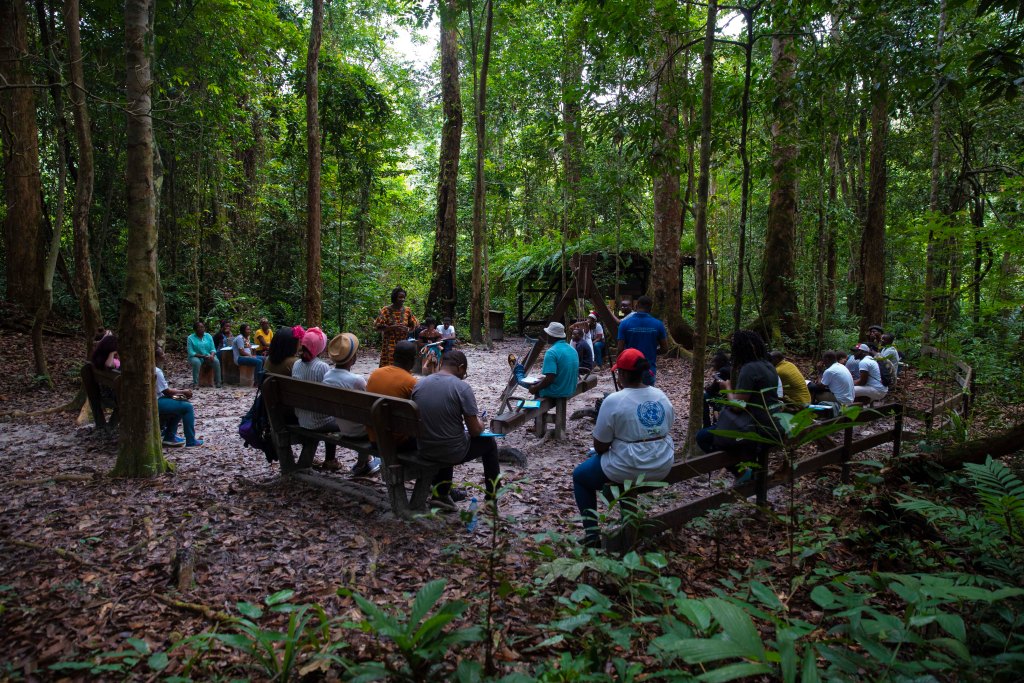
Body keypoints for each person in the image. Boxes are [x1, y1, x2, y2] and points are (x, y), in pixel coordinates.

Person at [572, 349, 675, 547]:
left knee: (580, 476)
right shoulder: (661, 395)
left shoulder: (614, 400)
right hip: (662, 462)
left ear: (624, 375)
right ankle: (628, 525)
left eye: (619, 372)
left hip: (629, 466)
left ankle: (592, 535)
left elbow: (600, 446)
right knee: (622, 469)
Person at [411, 350, 501, 507]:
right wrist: (482, 424)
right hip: (450, 451)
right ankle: (492, 497)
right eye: (464, 372)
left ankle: (441, 494)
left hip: (424, 447)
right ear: (460, 368)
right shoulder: (461, 388)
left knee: (448, 434)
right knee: (489, 443)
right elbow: (474, 430)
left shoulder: (420, 384)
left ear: (440, 364)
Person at [695, 330, 781, 472]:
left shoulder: (749, 369)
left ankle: (742, 473)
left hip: (757, 427)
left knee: (703, 437)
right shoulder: (769, 365)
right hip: (773, 423)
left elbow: (737, 407)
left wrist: (727, 387)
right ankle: (751, 474)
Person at [323, 333, 381, 476]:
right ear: (353, 358)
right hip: (360, 431)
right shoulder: (357, 380)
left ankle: (363, 462)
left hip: (342, 426)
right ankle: (364, 462)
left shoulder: (327, 376)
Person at [291, 327, 345, 470]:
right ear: (319, 348)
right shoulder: (322, 367)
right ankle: (330, 459)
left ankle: (326, 460)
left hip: (302, 417)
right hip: (318, 421)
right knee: (337, 420)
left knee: (330, 416)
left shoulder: (296, 364)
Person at [366, 340, 420, 452]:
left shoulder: (375, 374)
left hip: (374, 438)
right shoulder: (411, 382)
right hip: (398, 442)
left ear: (393, 356)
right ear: (413, 360)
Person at [509, 322, 580, 398]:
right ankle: (519, 369)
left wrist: (534, 389)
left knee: (521, 380)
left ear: (551, 335)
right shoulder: (572, 350)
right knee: (538, 381)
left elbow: (549, 379)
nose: (546, 336)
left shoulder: (551, 352)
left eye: (547, 334)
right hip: (570, 389)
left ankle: (517, 369)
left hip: (557, 391)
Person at [155, 345, 203, 447]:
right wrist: (184, 391)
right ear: (157, 357)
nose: (164, 355)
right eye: (162, 353)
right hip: (156, 401)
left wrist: (181, 393)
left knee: (181, 401)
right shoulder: (156, 371)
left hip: (157, 399)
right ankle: (191, 440)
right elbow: (166, 392)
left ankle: (170, 435)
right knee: (187, 407)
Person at [616, 295, 668, 385]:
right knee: (647, 396)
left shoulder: (624, 324)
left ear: (636, 306)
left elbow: (620, 349)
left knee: (630, 396)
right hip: (648, 368)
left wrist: (620, 372)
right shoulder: (658, 324)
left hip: (629, 369)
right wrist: (652, 351)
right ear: (650, 308)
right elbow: (665, 348)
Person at [374, 286, 418, 367]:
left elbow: (414, 325)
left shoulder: (407, 310)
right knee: (390, 364)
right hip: (389, 342)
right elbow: (377, 327)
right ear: (394, 297)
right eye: (400, 297)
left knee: (402, 363)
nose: (402, 299)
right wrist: (392, 327)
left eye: (404, 297)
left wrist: (407, 329)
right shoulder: (386, 310)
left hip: (403, 343)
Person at [187, 321, 222, 388]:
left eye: (202, 327)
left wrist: (212, 355)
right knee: (196, 362)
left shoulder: (208, 336)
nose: (201, 329)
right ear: (195, 329)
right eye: (199, 327)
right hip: (196, 356)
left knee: (216, 361)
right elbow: (191, 352)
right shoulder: (190, 338)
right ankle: (195, 383)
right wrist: (203, 356)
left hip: (207, 355)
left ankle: (218, 382)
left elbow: (213, 348)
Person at [702, 350, 731, 428]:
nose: (713, 364)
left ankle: (707, 424)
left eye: (714, 362)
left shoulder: (723, 371)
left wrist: (706, 388)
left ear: (720, 362)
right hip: (727, 396)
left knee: (703, 397)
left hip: (726, 400)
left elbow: (712, 390)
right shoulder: (729, 367)